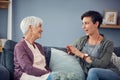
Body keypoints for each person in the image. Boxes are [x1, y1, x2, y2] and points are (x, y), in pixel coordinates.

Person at [66, 10, 116, 79]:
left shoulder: (108, 43)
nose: (83, 27)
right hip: (90, 74)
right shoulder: (81, 40)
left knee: (93, 71)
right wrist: (71, 52)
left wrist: (82, 55)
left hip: (109, 72)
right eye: (82, 24)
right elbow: (73, 51)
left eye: (86, 23)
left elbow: (103, 64)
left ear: (96, 24)